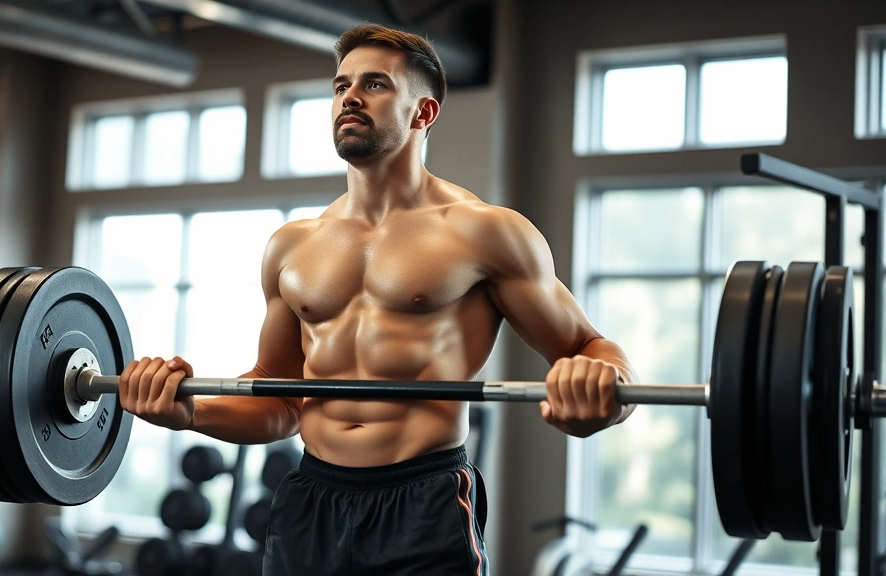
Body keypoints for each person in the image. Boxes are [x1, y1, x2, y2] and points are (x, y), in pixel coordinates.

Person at [118, 23, 638, 576]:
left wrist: (603, 394)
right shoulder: (292, 247)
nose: (350, 97)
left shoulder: (484, 233)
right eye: (341, 86)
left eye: (375, 84)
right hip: (311, 498)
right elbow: (280, 399)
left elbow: (590, 348)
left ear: (423, 113)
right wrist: (190, 411)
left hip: (423, 501)